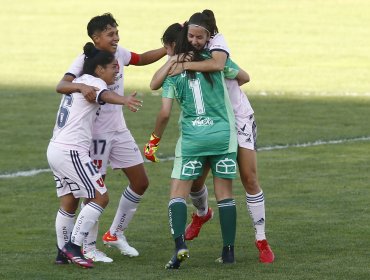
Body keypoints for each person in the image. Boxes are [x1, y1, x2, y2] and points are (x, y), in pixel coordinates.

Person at [149, 10, 275, 264]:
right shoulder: (193, 56)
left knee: (249, 178)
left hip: (236, 119)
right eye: (191, 36)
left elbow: (237, 74)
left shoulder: (217, 51)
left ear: (209, 35)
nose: (195, 40)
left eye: (199, 36)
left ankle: (261, 239)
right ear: (187, 36)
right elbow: (243, 76)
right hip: (215, 127)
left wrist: (181, 64)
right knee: (197, 184)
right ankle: (203, 213)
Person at [56, 13, 167, 262]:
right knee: (94, 192)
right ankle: (87, 247)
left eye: (117, 32)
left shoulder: (120, 53)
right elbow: (63, 84)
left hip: (119, 130)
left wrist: (167, 50)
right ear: (96, 38)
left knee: (140, 182)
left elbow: (139, 58)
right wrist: (82, 87)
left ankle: (115, 233)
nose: (116, 38)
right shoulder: (83, 60)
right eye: (110, 34)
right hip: (95, 136)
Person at [48, 42, 143, 268]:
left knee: (68, 200)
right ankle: (74, 246)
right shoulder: (94, 83)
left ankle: (62, 254)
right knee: (100, 196)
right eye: (113, 67)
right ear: (99, 69)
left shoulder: (79, 83)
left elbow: (68, 87)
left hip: (55, 148)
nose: (117, 70)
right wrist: (124, 100)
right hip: (72, 151)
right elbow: (105, 96)